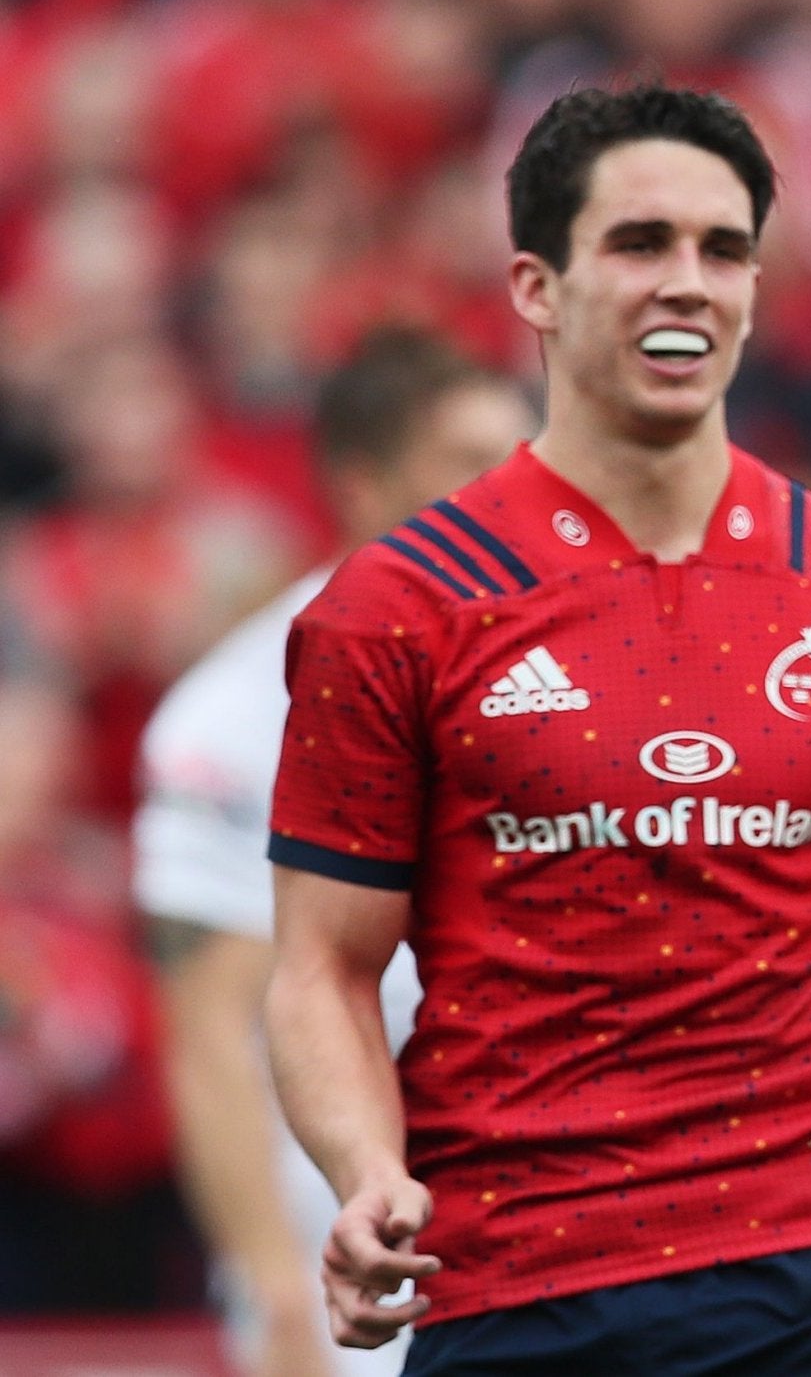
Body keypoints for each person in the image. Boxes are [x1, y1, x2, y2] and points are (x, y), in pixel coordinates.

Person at [264, 84, 811, 1377]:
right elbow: (322, 967)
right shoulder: (394, 609)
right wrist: (366, 1170)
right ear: (536, 289)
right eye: (639, 244)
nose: (688, 283)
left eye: (723, 251)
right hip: (519, 1282)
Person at [135, 329, 531, 1377]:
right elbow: (210, 1035)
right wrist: (270, 1288)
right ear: (363, 487)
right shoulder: (227, 720)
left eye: (519, 458)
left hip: (558, 1223)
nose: (510, 493)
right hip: (354, 1259)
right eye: (467, 462)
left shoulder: (587, 663)